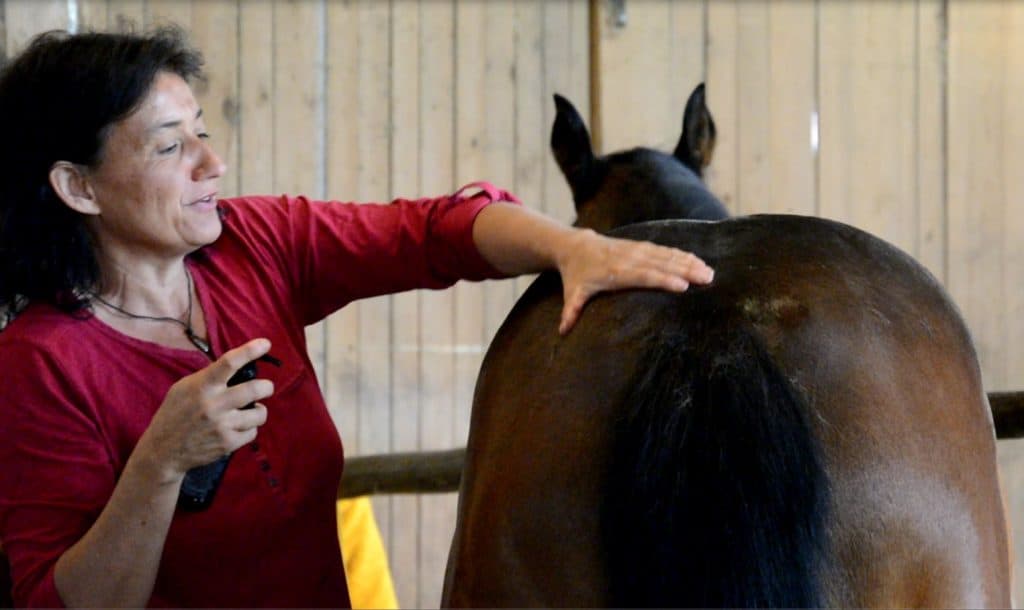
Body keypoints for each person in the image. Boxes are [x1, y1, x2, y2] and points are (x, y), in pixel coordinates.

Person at [0, 27, 714, 608]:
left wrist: (573, 246)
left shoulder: (255, 244)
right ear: (77, 186)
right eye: (169, 145)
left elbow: (439, 232)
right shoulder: (39, 362)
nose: (212, 162)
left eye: (204, 132)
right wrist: (159, 464)